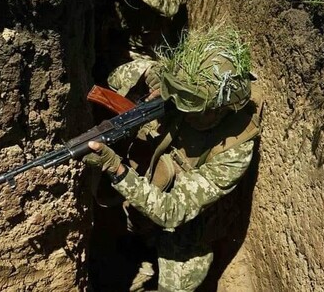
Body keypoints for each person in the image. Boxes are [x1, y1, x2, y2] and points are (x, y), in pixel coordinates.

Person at [83, 26, 262, 291]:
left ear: (222, 108)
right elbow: (113, 79)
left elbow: (172, 211)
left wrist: (116, 169)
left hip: (186, 224)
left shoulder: (235, 147)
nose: (184, 109)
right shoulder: (182, 83)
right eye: (181, 98)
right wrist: (148, 77)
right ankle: (133, 244)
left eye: (195, 107)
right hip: (150, 183)